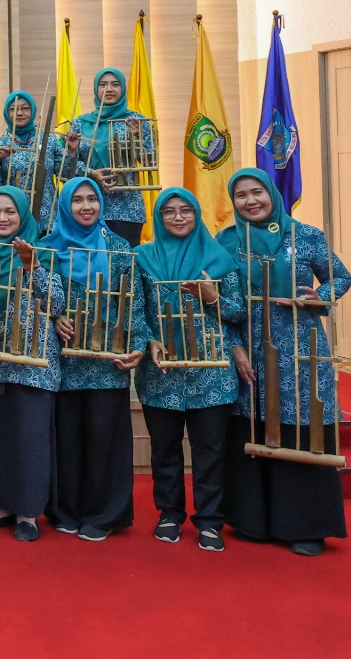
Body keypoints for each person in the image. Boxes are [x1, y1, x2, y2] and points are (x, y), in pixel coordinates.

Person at [218, 168, 351, 557]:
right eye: (240, 195)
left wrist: (319, 295)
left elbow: (339, 278)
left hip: (301, 348)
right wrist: (234, 348)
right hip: (248, 348)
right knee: (252, 425)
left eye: (256, 192)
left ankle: (305, 525)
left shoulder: (305, 235)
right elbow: (217, 307)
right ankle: (253, 521)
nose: (250, 201)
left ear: (272, 193)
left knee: (302, 425)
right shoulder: (225, 242)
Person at [132, 187, 243, 552]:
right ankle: (169, 513)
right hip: (160, 372)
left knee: (210, 450)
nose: (178, 217)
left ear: (197, 215)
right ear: (158, 218)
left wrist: (212, 297)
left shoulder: (219, 258)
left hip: (211, 374)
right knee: (164, 449)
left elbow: (239, 313)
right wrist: (148, 340)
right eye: (169, 212)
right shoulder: (142, 257)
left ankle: (210, 519)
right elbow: (136, 312)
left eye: (186, 211)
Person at [40, 177, 144, 541]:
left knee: (105, 437)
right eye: (78, 200)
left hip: (107, 361)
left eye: (92, 200)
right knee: (66, 438)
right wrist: (53, 317)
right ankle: (65, 510)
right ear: (65, 206)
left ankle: (104, 514)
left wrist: (139, 345)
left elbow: (134, 301)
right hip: (64, 362)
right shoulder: (47, 250)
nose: (86, 207)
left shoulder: (117, 247)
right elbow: (33, 298)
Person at [0, 186, 65, 542]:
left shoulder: (43, 250)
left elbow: (56, 304)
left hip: (33, 362)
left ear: (24, 215)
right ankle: (2, 505)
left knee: (30, 438)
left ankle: (28, 513)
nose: (2, 218)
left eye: (10, 212)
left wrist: (30, 265)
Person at [68, 69, 154, 246]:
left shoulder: (136, 121)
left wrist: (137, 138)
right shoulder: (80, 123)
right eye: (103, 84)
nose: (109, 89)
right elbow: (67, 169)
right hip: (88, 207)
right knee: (92, 263)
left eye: (115, 84)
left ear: (123, 88)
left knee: (125, 264)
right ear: (96, 89)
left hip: (127, 209)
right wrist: (90, 172)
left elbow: (150, 162)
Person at [0, 89, 83, 230]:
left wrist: (72, 151)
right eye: (13, 109)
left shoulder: (48, 139)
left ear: (33, 111)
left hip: (46, 217)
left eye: (25, 108)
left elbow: (66, 176)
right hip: (12, 218)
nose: (19, 113)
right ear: (7, 114)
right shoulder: (0, 143)